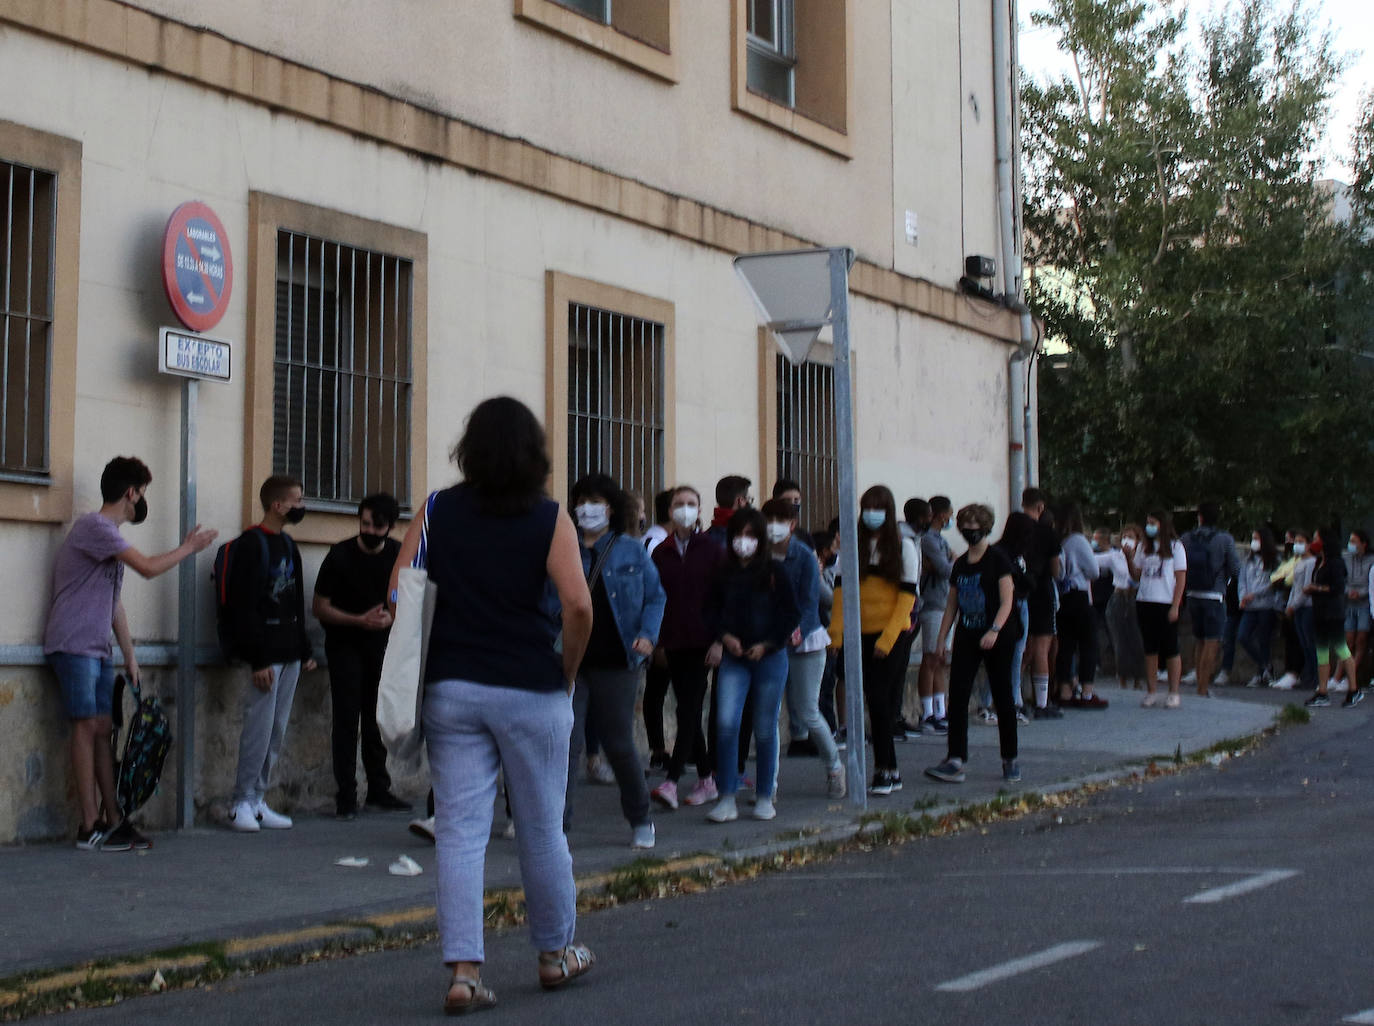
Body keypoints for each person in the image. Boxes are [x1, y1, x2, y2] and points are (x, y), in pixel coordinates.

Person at [392, 396, 594, 1013]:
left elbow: (399, 587)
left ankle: (464, 973)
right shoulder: (551, 519)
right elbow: (578, 605)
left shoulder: (437, 509)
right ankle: (555, 954)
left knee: (458, 832)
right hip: (531, 687)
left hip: (452, 686)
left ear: (469, 450)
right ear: (535, 453)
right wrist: (566, 671)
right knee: (541, 829)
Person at [44, 456, 217, 851]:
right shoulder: (95, 527)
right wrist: (188, 548)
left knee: (104, 729)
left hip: (97, 648)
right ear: (131, 493)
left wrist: (131, 657)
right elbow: (149, 568)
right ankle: (89, 826)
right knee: (86, 726)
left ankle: (114, 819)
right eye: (142, 492)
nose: (142, 500)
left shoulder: (109, 537)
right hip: (73, 644)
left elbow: (115, 604)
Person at [562, 473, 665, 850]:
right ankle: (557, 826)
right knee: (566, 744)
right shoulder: (564, 548)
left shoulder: (631, 550)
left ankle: (640, 819)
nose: (586, 509)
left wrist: (648, 636)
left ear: (611, 508)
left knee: (618, 743)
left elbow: (656, 596)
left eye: (595, 502)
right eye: (581, 501)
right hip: (571, 660)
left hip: (618, 660)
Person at [224, 476, 317, 832]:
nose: (301, 506)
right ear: (278, 505)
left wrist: (304, 650)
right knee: (258, 730)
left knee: (276, 731)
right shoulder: (252, 545)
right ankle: (240, 801)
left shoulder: (289, 545)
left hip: (289, 653)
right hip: (266, 656)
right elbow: (243, 606)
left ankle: (258, 799)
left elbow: (294, 601)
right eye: (297, 500)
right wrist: (258, 659)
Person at [312, 492, 410, 820]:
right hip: (344, 646)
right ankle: (346, 796)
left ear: (390, 526)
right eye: (364, 523)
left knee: (375, 718)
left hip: (381, 647)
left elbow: (409, 599)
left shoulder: (397, 555)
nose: (369, 531)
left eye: (377, 526)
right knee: (346, 718)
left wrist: (390, 618)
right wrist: (359, 620)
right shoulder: (339, 556)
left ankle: (379, 789)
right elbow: (320, 607)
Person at [704, 507, 800, 822]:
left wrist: (767, 644)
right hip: (734, 659)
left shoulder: (775, 572)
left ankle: (764, 796)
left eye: (750, 535)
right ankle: (726, 796)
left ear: (760, 539)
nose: (743, 541)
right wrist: (725, 637)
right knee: (726, 724)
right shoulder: (722, 572)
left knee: (764, 728)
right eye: (738, 534)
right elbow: (711, 611)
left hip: (769, 660)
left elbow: (791, 614)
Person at [828, 485, 920, 796]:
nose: (871, 514)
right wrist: (836, 634)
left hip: (892, 636)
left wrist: (888, 639)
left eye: (878, 508)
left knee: (881, 701)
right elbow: (840, 593)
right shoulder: (853, 546)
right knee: (874, 701)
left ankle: (884, 769)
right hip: (859, 635)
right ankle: (889, 769)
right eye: (867, 507)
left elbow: (907, 598)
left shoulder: (904, 547)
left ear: (888, 512)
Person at [924, 504, 1023, 784]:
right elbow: (952, 604)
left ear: (985, 527)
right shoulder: (960, 564)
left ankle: (1010, 758)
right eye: (965, 524)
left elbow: (1007, 601)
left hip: (997, 635)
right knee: (958, 694)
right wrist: (942, 639)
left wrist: (994, 630)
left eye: (974, 525)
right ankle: (956, 758)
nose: (969, 530)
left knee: (1002, 695)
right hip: (967, 633)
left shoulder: (998, 560)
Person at [763, 498, 845, 798]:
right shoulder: (759, 555)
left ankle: (834, 767)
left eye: (781, 520)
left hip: (806, 641)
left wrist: (796, 630)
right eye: (769, 520)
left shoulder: (804, 556)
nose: (774, 526)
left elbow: (810, 603)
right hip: (771, 642)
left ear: (793, 524)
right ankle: (768, 784)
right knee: (769, 714)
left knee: (808, 711)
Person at [650, 486, 725, 810]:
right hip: (673, 642)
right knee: (688, 709)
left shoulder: (712, 550)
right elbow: (655, 599)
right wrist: (657, 641)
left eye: (691, 503)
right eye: (679, 504)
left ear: (699, 509)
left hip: (703, 643)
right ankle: (707, 779)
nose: (685, 509)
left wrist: (719, 641)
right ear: (670, 511)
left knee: (687, 710)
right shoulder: (661, 552)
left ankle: (671, 781)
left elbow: (724, 599)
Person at [1179, 502, 1239, 696]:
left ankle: (1199, 682)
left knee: (1199, 641)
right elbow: (1236, 568)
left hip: (1192, 593)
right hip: (1214, 595)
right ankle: (1203, 688)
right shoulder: (1224, 539)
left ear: (1200, 516)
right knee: (1212, 641)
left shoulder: (1186, 538)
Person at [1129, 511, 1186, 708]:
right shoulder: (1144, 546)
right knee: (1149, 648)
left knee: (1171, 647)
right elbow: (1136, 575)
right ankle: (1151, 690)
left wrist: (1175, 605)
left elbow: (1180, 578)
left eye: (1152, 523)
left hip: (1165, 601)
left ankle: (1174, 691)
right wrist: (1129, 557)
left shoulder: (1176, 546)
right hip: (1145, 600)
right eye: (1148, 523)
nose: (1149, 527)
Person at [1303, 527, 1364, 709]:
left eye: (1316, 538)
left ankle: (1354, 689)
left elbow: (1337, 588)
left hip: (1333, 612)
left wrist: (1316, 588)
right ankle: (1322, 691)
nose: (1314, 542)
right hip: (1320, 612)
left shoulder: (1336, 563)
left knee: (1341, 648)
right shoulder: (1319, 561)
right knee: (1321, 651)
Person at [1054, 505, 1107, 709]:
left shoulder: (1060, 541)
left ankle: (1065, 690)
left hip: (1063, 596)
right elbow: (1093, 571)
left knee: (1065, 645)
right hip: (1080, 595)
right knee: (1088, 644)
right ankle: (1087, 692)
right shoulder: (1078, 540)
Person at [1020, 489, 1063, 718]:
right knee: (1041, 647)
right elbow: (1056, 570)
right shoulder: (1047, 533)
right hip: (1042, 590)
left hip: (1019, 590)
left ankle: (1014, 697)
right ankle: (1042, 702)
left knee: (1021, 647)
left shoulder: (1015, 528)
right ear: (1041, 507)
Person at [917, 496, 953, 734]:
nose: (951, 518)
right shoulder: (929, 540)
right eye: (950, 513)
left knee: (940, 658)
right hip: (932, 604)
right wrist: (953, 561)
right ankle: (927, 712)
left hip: (943, 602)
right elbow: (945, 568)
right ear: (941, 515)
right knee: (930, 657)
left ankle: (940, 711)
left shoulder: (940, 540)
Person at [1099, 525, 1147, 691]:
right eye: (1124, 536)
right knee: (1119, 641)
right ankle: (1122, 678)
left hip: (1136, 598)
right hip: (1118, 598)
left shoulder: (1143, 557)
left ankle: (1138, 678)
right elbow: (1096, 560)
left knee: (1137, 640)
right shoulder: (1115, 556)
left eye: (1131, 537)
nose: (1127, 540)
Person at [1236, 526, 1283, 687]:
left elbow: (1272, 582)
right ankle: (1265, 666)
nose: (1254, 542)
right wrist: (1243, 596)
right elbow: (1242, 580)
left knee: (1264, 640)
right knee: (1243, 636)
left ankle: (1262, 672)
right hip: (1249, 606)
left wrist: (1254, 594)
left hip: (1265, 606)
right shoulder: (1248, 560)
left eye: (1256, 539)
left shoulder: (1274, 560)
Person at [1283, 529, 1318, 691]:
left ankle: (1315, 676)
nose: (1297, 545)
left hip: (1307, 607)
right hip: (1297, 607)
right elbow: (1295, 587)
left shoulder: (1311, 562)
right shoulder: (1298, 562)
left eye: (1301, 542)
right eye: (1296, 542)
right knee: (1303, 643)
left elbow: (1306, 588)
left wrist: (1294, 605)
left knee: (1310, 643)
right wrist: (1290, 605)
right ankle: (1308, 675)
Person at [1339, 529, 1373, 691]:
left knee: (1361, 640)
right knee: (1348, 640)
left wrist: (1360, 593)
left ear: (1363, 544)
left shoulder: (1371, 560)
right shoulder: (1345, 557)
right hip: (1349, 603)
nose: (1351, 544)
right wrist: (1348, 592)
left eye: (1354, 541)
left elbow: (1371, 583)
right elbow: (1341, 579)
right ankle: (1338, 676)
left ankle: (1350, 676)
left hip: (1364, 604)